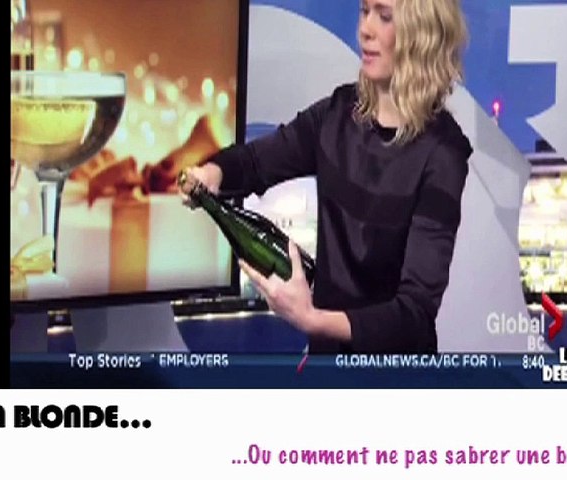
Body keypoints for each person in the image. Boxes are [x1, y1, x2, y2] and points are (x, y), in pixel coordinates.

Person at [182, 0, 473, 353]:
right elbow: (255, 162)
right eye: (364, 11)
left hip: (397, 375)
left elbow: (413, 315)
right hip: (328, 367)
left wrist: (311, 319)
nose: (365, 30)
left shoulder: (443, 153)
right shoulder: (336, 114)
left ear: (422, 34)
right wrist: (213, 172)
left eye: (384, 16)